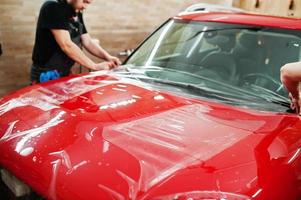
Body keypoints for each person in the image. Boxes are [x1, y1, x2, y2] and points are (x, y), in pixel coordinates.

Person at [30, 0, 121, 84]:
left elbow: (87, 41)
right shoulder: (52, 7)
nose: (85, 6)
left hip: (65, 71)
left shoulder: (76, 12)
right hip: (46, 74)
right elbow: (66, 45)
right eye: (85, 1)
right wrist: (95, 66)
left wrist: (108, 57)